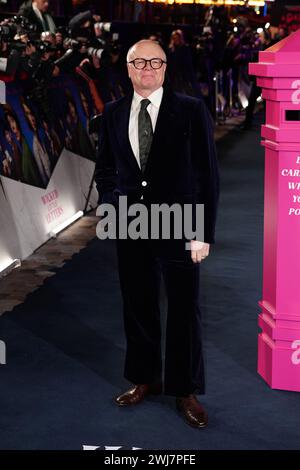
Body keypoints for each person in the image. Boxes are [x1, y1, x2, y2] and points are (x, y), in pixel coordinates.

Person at [95, 40, 219, 428]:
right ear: (128, 68)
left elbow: (206, 175)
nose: (147, 68)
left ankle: (185, 390)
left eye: (155, 61)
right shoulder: (112, 113)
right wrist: (114, 208)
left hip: (180, 223)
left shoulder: (190, 109)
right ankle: (143, 378)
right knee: (138, 304)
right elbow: (106, 171)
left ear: (165, 68)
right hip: (131, 226)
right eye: (139, 62)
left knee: (184, 308)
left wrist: (201, 234)